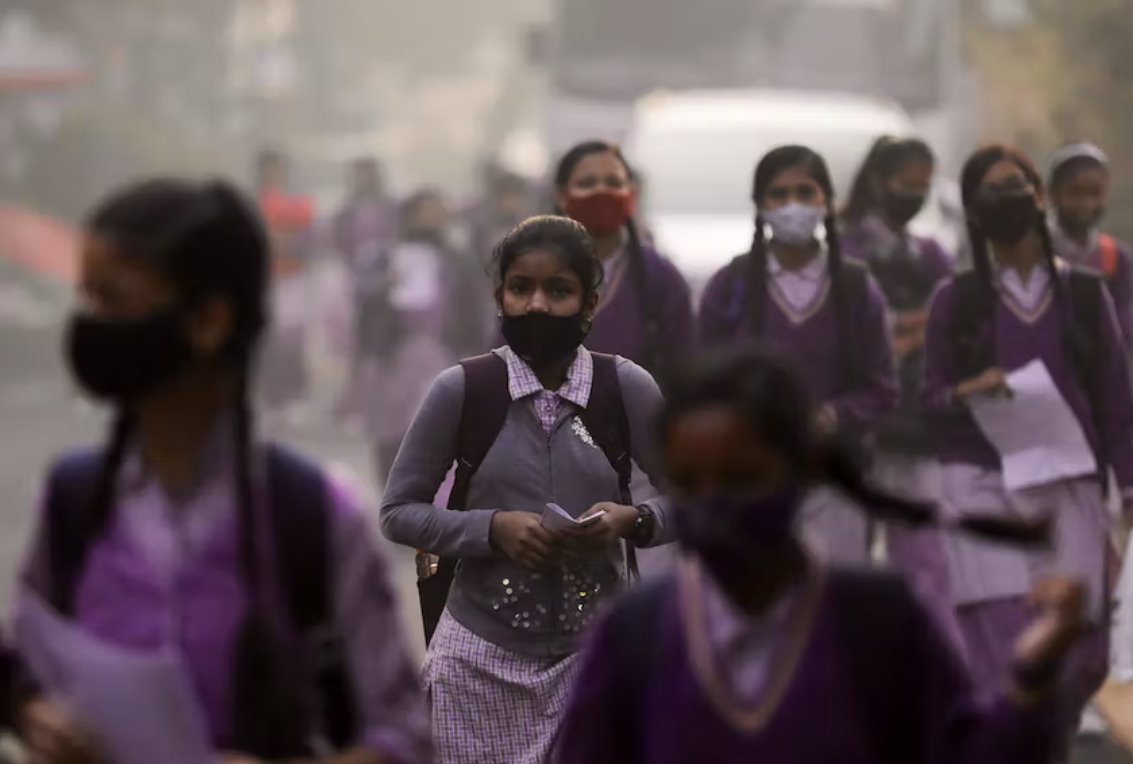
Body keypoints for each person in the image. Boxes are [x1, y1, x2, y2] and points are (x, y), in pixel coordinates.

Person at [11, 179, 431, 763]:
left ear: (208, 321)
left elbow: (406, 731)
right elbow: (27, 664)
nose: (90, 323)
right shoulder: (73, 503)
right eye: (88, 298)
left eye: (113, 299)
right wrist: (35, 714)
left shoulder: (311, 515)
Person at [551, 346, 1086, 764]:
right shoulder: (634, 634)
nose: (713, 502)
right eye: (690, 484)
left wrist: (1031, 682)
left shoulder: (877, 620)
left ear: (803, 472)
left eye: (740, 479)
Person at [380, 215, 674, 763]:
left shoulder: (625, 388)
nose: (537, 305)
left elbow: (699, 500)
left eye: (558, 290)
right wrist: (491, 529)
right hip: (475, 668)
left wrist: (631, 521)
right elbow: (398, 512)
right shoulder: (462, 390)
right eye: (521, 288)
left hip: (598, 662)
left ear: (590, 302)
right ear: (500, 298)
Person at [922, 144, 1133, 758]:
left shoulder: (1086, 297)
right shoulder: (955, 301)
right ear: (973, 212)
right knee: (1003, 647)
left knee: (1082, 649)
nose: (1008, 200)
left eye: (1018, 185)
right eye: (991, 192)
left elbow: (1118, 404)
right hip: (982, 485)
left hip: (1069, 484)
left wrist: (1127, 492)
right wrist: (966, 390)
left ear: (1040, 196)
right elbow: (928, 399)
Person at [696, 145, 948, 609]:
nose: (792, 204)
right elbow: (701, 382)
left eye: (804, 192)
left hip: (836, 482)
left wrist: (831, 416)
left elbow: (882, 389)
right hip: (750, 480)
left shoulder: (855, 288)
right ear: (760, 204)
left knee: (830, 608)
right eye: (778, 194)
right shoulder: (730, 286)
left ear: (826, 201)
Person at [349, 188, 490, 484]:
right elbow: (364, 306)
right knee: (391, 429)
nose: (429, 220)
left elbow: (472, 309)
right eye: (422, 213)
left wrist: (476, 351)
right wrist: (384, 286)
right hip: (394, 356)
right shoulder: (384, 257)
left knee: (438, 425)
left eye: (435, 212)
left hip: (441, 353)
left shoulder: (457, 259)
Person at [553, 141, 694, 389]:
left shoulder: (660, 278)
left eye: (613, 183)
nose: (601, 192)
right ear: (561, 196)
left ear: (632, 194)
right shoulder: (533, 273)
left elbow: (686, 368)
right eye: (587, 184)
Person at [1047, 142, 1133, 348]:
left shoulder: (1115, 256)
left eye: (1094, 193)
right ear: (1053, 194)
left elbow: (1125, 321)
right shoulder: (1036, 252)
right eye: (1074, 192)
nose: (1085, 203)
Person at [333, 157, 397, 269]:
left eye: (369, 175)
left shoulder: (391, 207)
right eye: (361, 175)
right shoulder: (344, 213)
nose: (366, 179)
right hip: (354, 266)